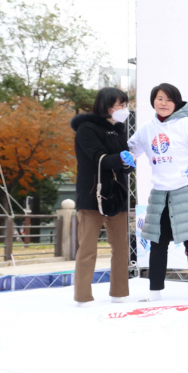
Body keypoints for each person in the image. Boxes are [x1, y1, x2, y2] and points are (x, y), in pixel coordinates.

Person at [125, 83, 188, 302]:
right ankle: (154, 292)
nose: (163, 103)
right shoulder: (148, 128)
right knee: (158, 244)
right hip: (161, 193)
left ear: (176, 102)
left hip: (187, 192)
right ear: (153, 101)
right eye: (159, 98)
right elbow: (132, 148)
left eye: (168, 99)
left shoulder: (187, 124)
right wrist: (126, 155)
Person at [71, 87, 135, 307]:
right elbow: (100, 158)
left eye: (125, 105)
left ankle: (119, 292)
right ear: (107, 106)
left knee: (121, 247)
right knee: (88, 246)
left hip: (116, 194)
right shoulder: (86, 129)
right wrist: (120, 158)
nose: (125, 109)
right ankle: (83, 296)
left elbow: (121, 164)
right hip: (92, 195)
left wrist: (127, 163)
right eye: (121, 105)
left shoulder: (119, 130)